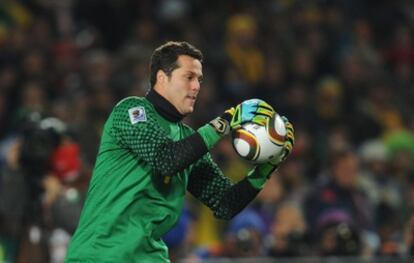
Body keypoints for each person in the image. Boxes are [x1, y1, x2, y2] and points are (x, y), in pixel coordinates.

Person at [65, 41, 294, 262]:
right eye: (189, 77)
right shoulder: (131, 111)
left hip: (149, 257)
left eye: (199, 79)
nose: (196, 86)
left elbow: (225, 203)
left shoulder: (187, 139)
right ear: (162, 78)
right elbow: (167, 159)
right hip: (100, 254)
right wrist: (225, 121)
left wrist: (267, 167)